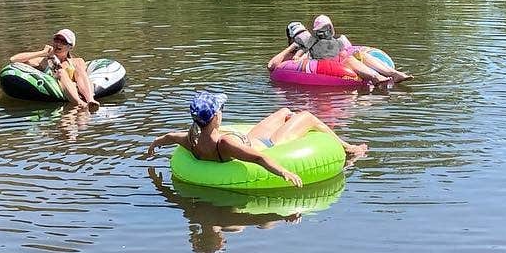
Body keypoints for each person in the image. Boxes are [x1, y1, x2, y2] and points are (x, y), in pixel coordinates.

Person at [146, 92, 368, 184]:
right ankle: (349, 149)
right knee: (307, 116)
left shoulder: (192, 140)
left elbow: (169, 137)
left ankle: (290, 118)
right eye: (221, 109)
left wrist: (154, 145)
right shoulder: (224, 143)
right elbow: (259, 159)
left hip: (248, 137)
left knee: (284, 112)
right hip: (269, 145)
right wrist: (285, 172)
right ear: (215, 117)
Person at [9, 28, 100, 110]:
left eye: (63, 41)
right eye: (57, 39)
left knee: (79, 69)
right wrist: (42, 53)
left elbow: (85, 77)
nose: (58, 43)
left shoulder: (77, 61)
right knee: (61, 72)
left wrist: (74, 84)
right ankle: (79, 103)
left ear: (70, 46)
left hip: (76, 88)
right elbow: (13, 60)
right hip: (58, 89)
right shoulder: (44, 61)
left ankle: (91, 100)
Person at [312, 13, 411, 84]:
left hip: (344, 60)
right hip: (333, 66)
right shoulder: (313, 43)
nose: (324, 33)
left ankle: (394, 74)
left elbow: (347, 50)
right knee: (349, 60)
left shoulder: (337, 41)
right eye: (321, 31)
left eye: (326, 29)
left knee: (361, 55)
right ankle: (376, 77)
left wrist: (354, 54)